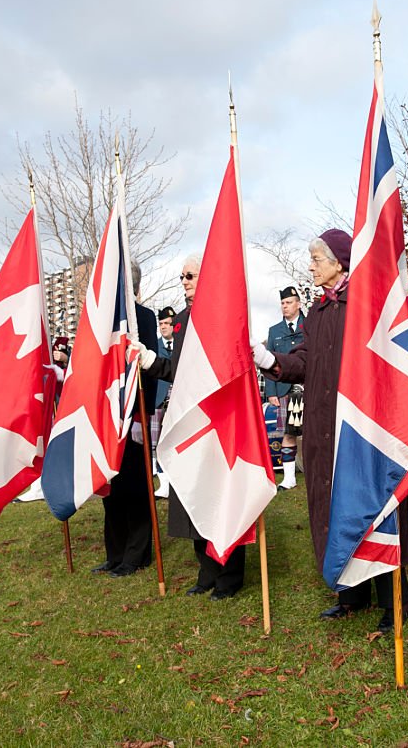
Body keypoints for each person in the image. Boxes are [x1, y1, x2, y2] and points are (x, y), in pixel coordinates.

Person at [255, 229, 408, 634]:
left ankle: (394, 601)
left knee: (372, 507)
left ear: (339, 261)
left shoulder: (365, 302)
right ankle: (350, 595)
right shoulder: (320, 311)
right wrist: (268, 358)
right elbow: (305, 361)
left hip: (363, 426)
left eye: (316, 258)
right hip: (324, 425)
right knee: (332, 504)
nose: (310, 265)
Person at [138, 255, 247, 600]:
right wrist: (152, 362)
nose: (183, 281)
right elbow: (181, 372)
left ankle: (229, 576)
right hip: (189, 420)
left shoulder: (225, 315)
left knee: (219, 496)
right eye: (181, 276)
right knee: (193, 494)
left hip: (219, 421)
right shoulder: (183, 320)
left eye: (190, 275)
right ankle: (206, 571)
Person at [90, 262, 159, 578]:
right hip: (106, 417)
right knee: (111, 488)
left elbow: (151, 369)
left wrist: (141, 416)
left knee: (135, 485)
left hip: (132, 416)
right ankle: (115, 553)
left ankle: (137, 554)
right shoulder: (102, 321)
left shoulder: (142, 317)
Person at [263, 286, 306, 491]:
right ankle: (289, 479)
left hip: (309, 387)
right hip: (284, 390)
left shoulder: (311, 325)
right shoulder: (274, 331)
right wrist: (271, 392)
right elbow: (269, 361)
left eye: (288, 302)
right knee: (287, 434)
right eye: (282, 303)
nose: (285, 306)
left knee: (315, 432)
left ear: (298, 303)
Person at [152, 306, 177, 499]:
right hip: (158, 399)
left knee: (175, 440)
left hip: (178, 399)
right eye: (161, 324)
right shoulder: (153, 344)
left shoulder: (182, 344)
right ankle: (163, 483)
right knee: (157, 442)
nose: (163, 327)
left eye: (167, 323)